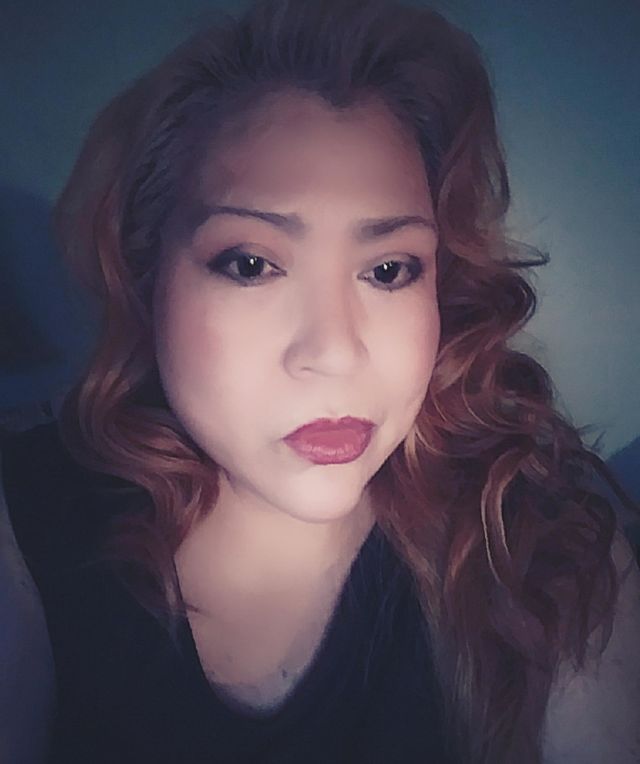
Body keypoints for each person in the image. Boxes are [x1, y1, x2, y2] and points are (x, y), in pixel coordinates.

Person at [1, 0, 639, 762]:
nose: (335, 353)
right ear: (147, 278)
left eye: (389, 269)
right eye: (251, 264)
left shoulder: (546, 552)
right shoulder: (27, 526)